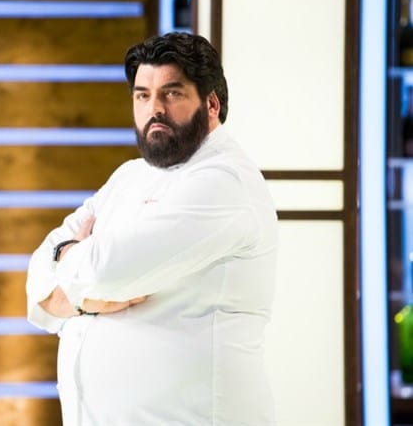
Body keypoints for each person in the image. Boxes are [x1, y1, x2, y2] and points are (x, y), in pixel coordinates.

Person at [26, 32, 278, 426]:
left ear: (211, 104)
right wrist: (80, 291)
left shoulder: (224, 181)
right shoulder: (129, 176)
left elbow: (107, 271)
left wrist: (70, 261)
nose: (154, 109)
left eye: (172, 93)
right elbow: (38, 276)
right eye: (142, 95)